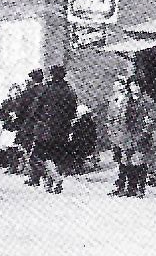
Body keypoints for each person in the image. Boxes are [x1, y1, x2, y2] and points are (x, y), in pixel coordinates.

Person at [26, 65, 78, 194]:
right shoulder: (69, 90)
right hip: (64, 128)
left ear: (52, 75)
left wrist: (35, 120)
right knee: (57, 155)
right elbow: (73, 111)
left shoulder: (46, 89)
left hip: (46, 128)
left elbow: (36, 108)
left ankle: (55, 178)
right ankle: (50, 183)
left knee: (39, 155)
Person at [121, 77, 156, 197]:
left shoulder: (147, 101)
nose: (135, 87)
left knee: (140, 161)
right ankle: (130, 188)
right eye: (132, 85)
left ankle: (140, 188)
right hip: (128, 134)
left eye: (137, 85)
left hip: (142, 134)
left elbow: (151, 118)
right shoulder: (126, 101)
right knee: (128, 161)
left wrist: (144, 132)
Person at [15, 69, 45, 186]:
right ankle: (40, 175)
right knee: (41, 151)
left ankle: (35, 177)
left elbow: (20, 109)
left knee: (30, 151)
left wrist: (19, 121)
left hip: (30, 125)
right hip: (45, 125)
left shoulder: (29, 92)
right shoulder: (45, 90)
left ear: (32, 79)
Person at [0, 83, 25, 174]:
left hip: (17, 128)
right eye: (13, 92)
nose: (15, 94)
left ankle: (16, 166)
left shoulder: (21, 103)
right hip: (8, 127)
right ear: (10, 93)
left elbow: (24, 115)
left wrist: (17, 117)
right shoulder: (6, 103)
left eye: (17, 92)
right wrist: (7, 117)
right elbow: (0, 115)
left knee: (16, 148)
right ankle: (11, 165)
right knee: (8, 148)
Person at [67, 104, 98, 174]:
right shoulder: (87, 123)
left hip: (81, 144)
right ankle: (78, 166)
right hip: (82, 144)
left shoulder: (79, 123)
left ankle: (78, 166)